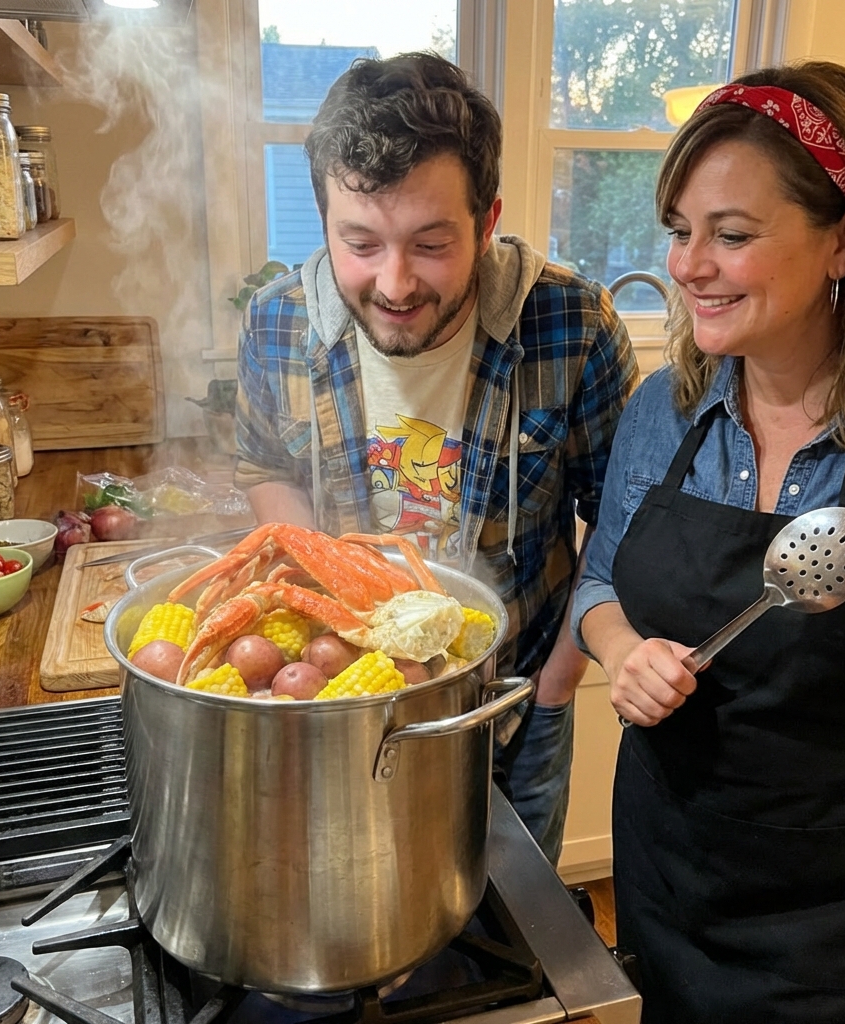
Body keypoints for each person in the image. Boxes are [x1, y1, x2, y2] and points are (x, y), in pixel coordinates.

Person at [574, 60, 845, 1023]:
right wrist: (622, 653)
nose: (690, 264)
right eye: (681, 232)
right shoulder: (666, 407)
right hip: (666, 890)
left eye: (731, 235)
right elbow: (599, 580)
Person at [234, 52, 638, 866]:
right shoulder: (277, 324)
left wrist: (557, 683)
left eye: (430, 243)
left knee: (507, 936)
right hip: (339, 709)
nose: (394, 282)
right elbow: (262, 465)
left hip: (515, 707)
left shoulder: (572, 325)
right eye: (360, 242)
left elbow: (621, 522)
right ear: (323, 223)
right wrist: (320, 591)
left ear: (486, 223)